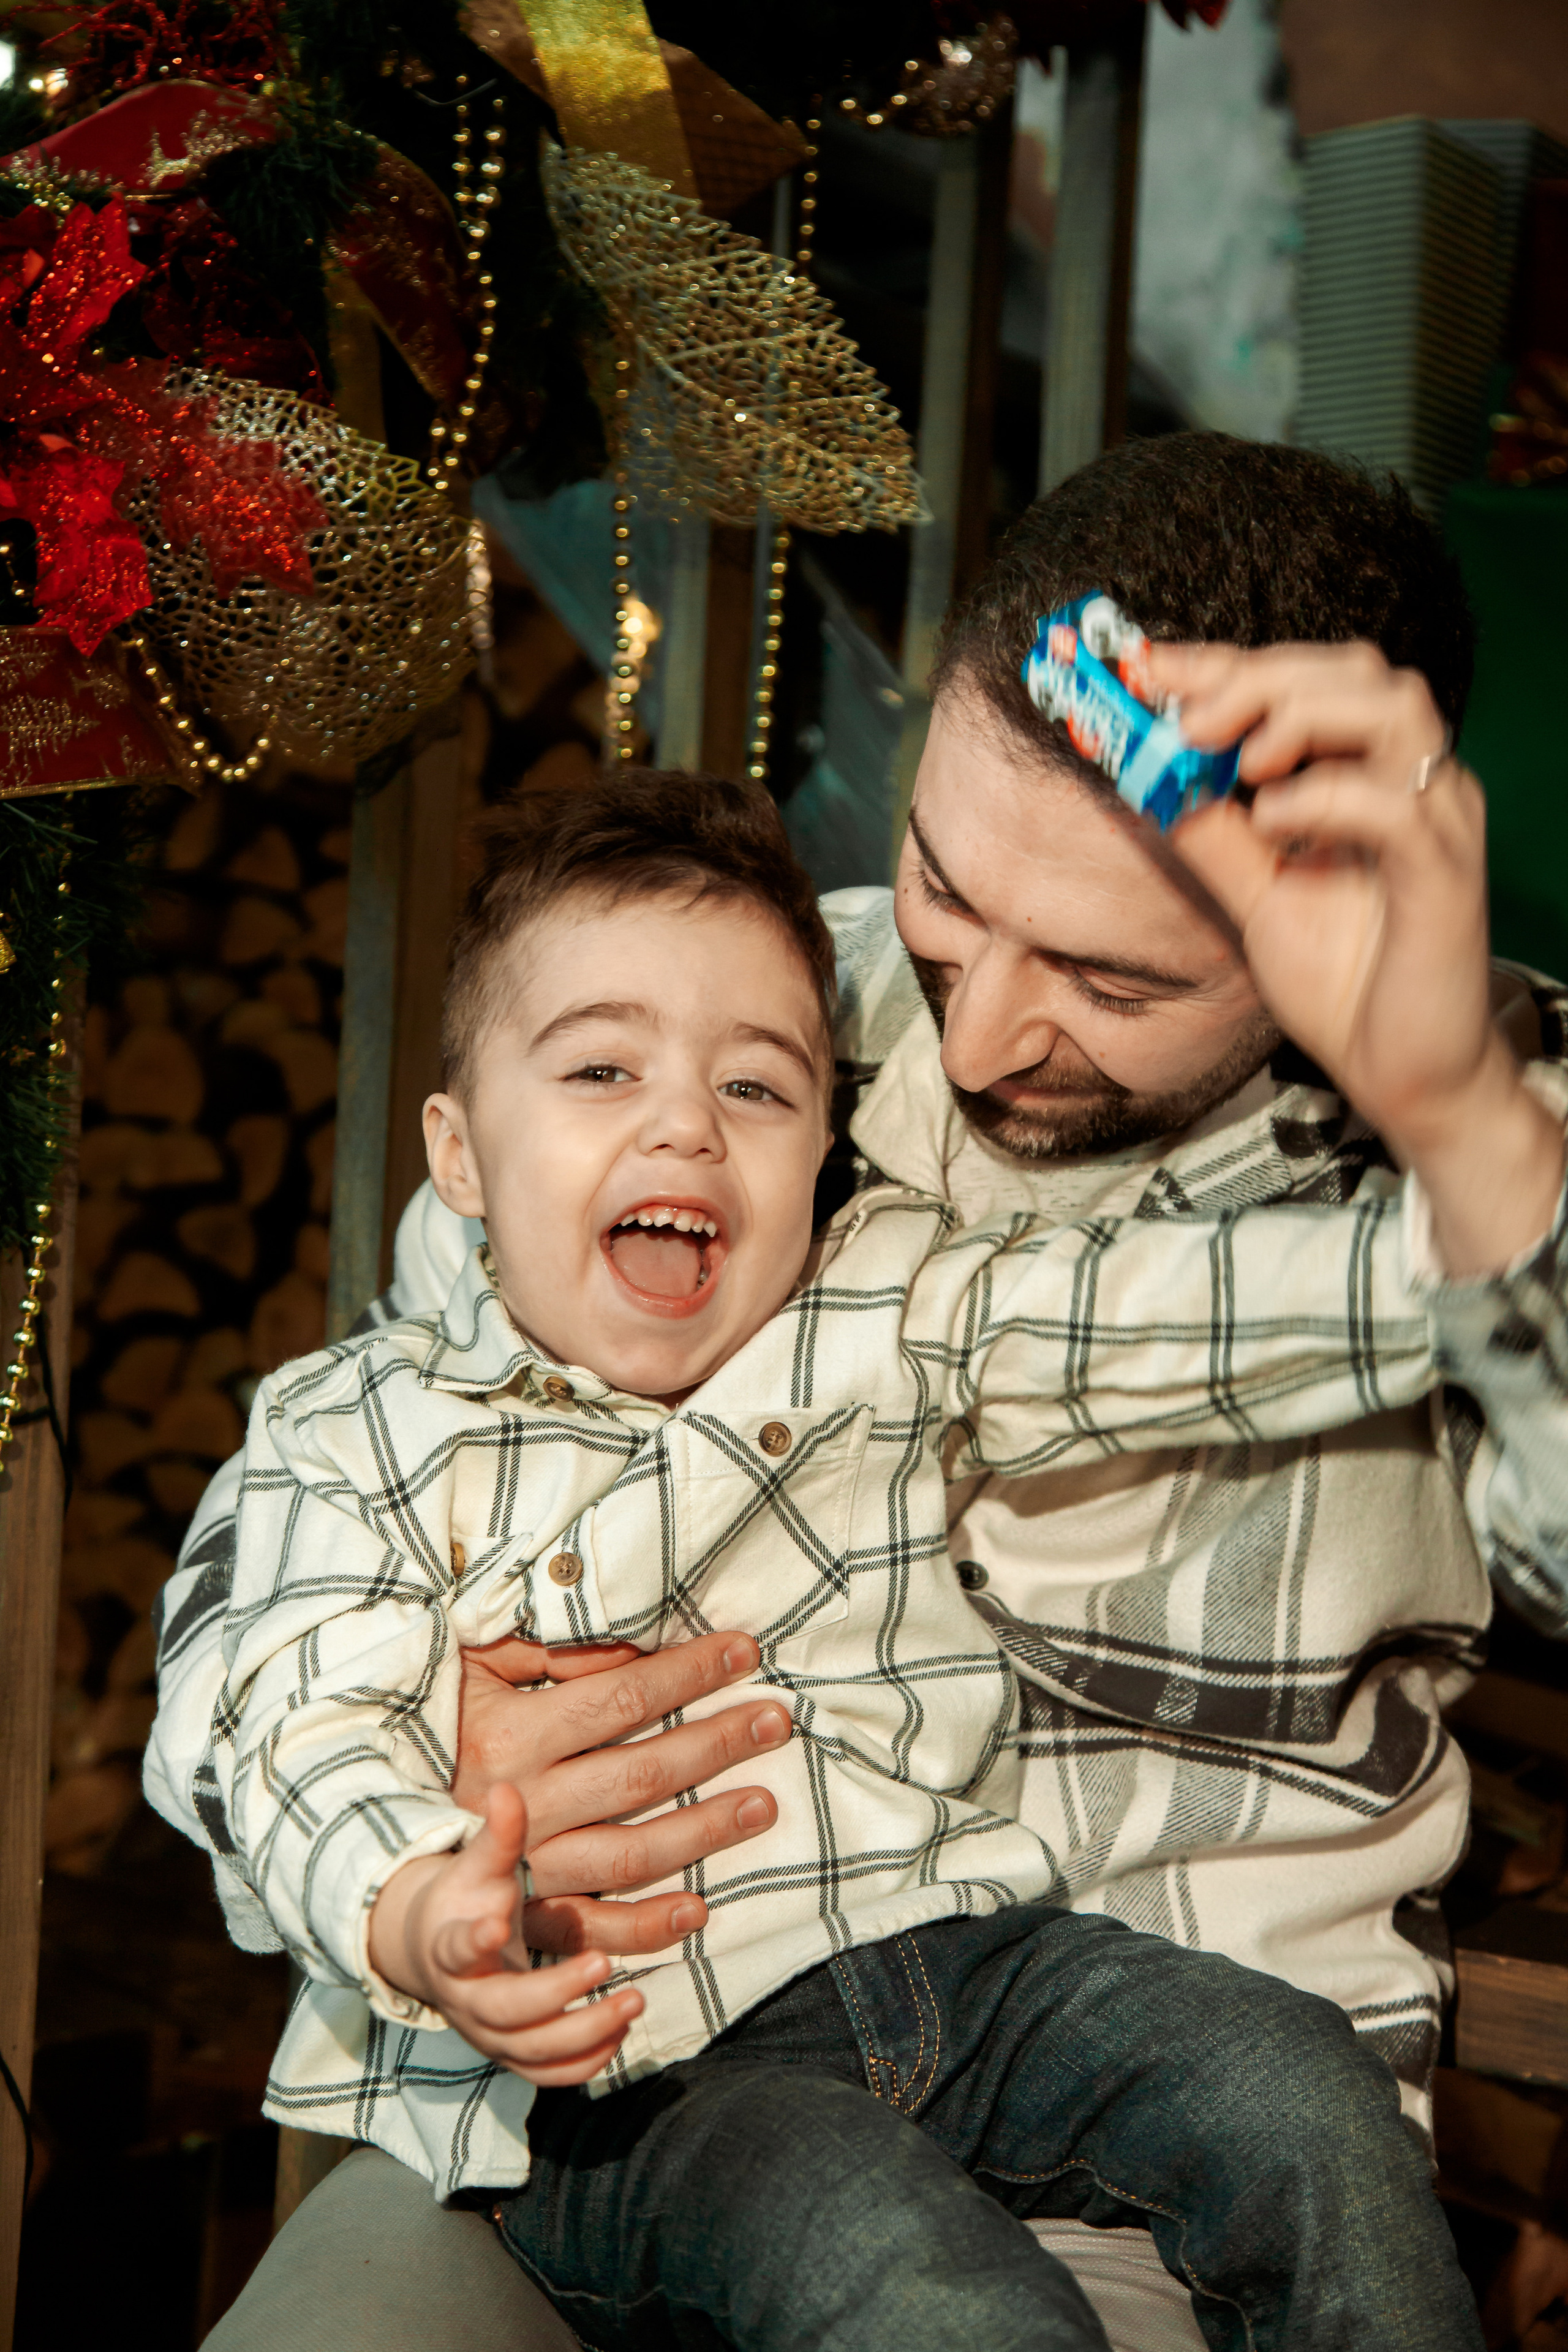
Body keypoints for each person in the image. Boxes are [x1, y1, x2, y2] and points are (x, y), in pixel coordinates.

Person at [154, 434, 1568, 2351]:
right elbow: (318, 1526)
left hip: (1143, 2160)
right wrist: (415, 1792)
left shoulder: (1504, 1147)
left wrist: (1472, 1138)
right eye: (944, 888)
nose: (973, 1038)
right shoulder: (715, 998)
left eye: (1113, 984)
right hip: (585, 2099)